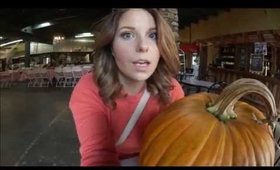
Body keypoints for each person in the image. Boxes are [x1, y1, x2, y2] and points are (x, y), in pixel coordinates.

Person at [69, 8, 185, 166]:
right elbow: (98, 155)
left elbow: (177, 148)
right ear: (111, 48)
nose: (143, 46)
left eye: (153, 35)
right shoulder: (89, 88)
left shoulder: (172, 89)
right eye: (127, 35)